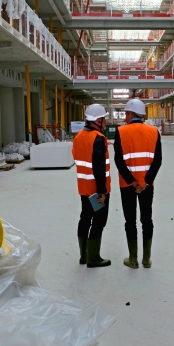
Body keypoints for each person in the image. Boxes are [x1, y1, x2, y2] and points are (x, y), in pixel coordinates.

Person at [114, 98, 162, 269]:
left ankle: (133, 259)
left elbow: (119, 161)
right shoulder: (154, 132)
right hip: (147, 186)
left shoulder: (121, 132)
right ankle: (146, 260)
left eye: (126, 113)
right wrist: (145, 182)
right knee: (146, 219)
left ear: (130, 113)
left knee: (130, 221)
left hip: (127, 186)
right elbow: (157, 161)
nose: (125, 117)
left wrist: (133, 183)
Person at [72, 104, 111, 268]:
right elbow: (99, 167)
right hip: (96, 190)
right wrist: (102, 192)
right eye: (105, 118)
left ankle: (84, 255)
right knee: (99, 221)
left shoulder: (79, 136)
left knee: (85, 218)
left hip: (84, 188)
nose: (106, 121)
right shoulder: (98, 138)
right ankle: (93, 258)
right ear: (98, 120)